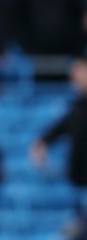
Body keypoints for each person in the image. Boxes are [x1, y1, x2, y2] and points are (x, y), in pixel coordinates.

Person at [30, 56, 87, 187]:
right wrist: (42, 142)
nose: (74, 77)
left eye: (80, 71)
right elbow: (59, 129)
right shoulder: (77, 107)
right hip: (79, 182)